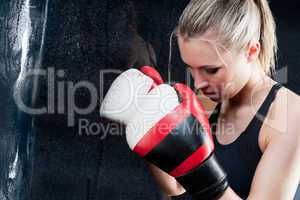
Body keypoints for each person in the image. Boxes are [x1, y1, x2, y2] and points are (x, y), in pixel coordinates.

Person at [147, 0, 300, 199]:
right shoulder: (209, 96)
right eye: (190, 68)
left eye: (211, 70)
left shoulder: (291, 114)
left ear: (251, 51)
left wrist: (206, 176)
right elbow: (176, 188)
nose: (198, 83)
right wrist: (151, 125)